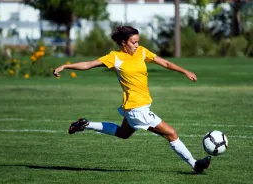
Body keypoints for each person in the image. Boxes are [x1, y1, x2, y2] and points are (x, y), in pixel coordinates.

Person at [53, 25, 211, 174]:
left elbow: (165, 62)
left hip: (135, 108)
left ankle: (86, 125)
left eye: (138, 42)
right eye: (133, 42)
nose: (136, 45)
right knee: (171, 133)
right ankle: (195, 164)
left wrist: (185, 71)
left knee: (123, 133)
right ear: (123, 43)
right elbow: (88, 64)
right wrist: (66, 66)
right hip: (137, 109)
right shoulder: (114, 58)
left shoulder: (141, 52)